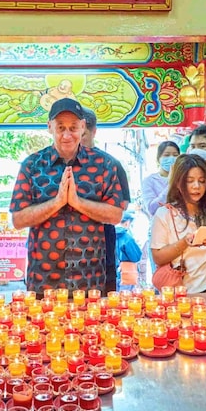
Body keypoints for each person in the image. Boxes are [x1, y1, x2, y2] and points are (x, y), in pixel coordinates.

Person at [10, 98, 125, 294]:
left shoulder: (104, 165)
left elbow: (116, 215)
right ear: (49, 127)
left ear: (82, 127)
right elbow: (18, 219)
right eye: (60, 127)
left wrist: (78, 203)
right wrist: (57, 203)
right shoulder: (32, 165)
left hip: (89, 281)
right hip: (43, 282)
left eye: (73, 128)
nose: (66, 135)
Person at [151, 155, 206, 293]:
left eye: (202, 181)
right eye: (190, 181)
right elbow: (158, 258)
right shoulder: (164, 214)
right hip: (176, 292)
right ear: (178, 183)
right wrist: (183, 243)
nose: (197, 186)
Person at [82, 106, 130, 292]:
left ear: (94, 131)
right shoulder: (58, 165)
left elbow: (122, 206)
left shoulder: (111, 165)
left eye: (83, 135)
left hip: (101, 245)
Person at [141, 140, 180, 218]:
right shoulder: (149, 181)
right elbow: (152, 209)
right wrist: (171, 184)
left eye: (175, 155)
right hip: (160, 225)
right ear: (158, 158)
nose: (171, 158)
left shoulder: (184, 179)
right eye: (166, 155)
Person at [115, 211, 143, 291]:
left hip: (112, 274)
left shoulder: (108, 235)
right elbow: (136, 257)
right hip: (127, 274)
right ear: (127, 223)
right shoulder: (127, 238)